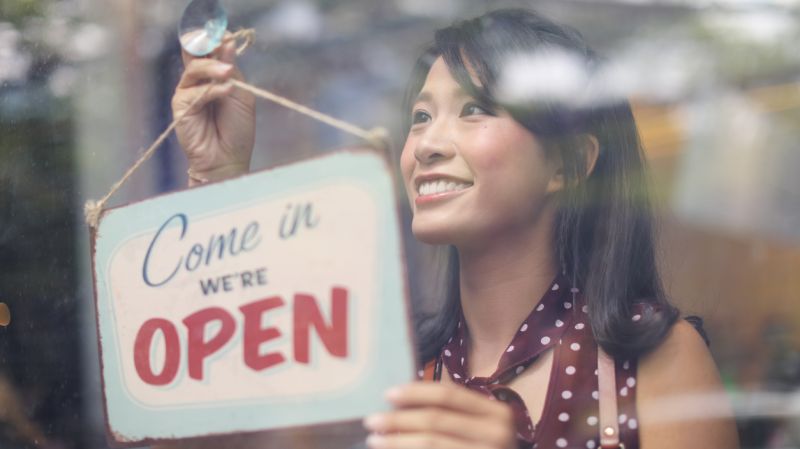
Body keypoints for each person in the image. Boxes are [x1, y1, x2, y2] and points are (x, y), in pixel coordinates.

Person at [171, 8, 739, 449]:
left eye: (474, 110)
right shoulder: (393, 366)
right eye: (420, 117)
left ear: (568, 164)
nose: (428, 145)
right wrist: (217, 178)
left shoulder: (652, 356)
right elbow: (222, 406)